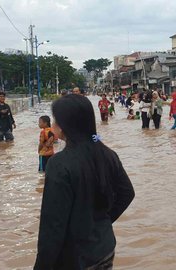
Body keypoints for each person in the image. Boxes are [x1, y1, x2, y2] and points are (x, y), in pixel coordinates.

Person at [34, 94, 134, 269]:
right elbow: (127, 193)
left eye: (56, 120)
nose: (53, 125)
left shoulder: (59, 163)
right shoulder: (108, 154)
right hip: (104, 248)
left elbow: (53, 225)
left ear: (66, 126)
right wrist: (101, 222)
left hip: (74, 258)